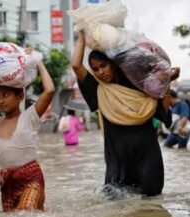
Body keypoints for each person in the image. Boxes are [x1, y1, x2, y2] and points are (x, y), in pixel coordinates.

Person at [71, 31, 172, 197]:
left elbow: (163, 111)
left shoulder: (138, 85)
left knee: (152, 201)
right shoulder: (97, 89)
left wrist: (167, 82)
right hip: (118, 161)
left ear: (114, 64)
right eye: (95, 69)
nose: (100, 72)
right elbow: (76, 65)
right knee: (117, 202)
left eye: (104, 66)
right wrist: (82, 35)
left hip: (147, 155)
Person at [0, 59, 55, 211]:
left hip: (32, 179)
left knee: (25, 213)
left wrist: (39, 64)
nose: (0, 100)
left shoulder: (28, 117)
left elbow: (49, 91)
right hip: (7, 182)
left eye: (6, 95)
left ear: (20, 96)